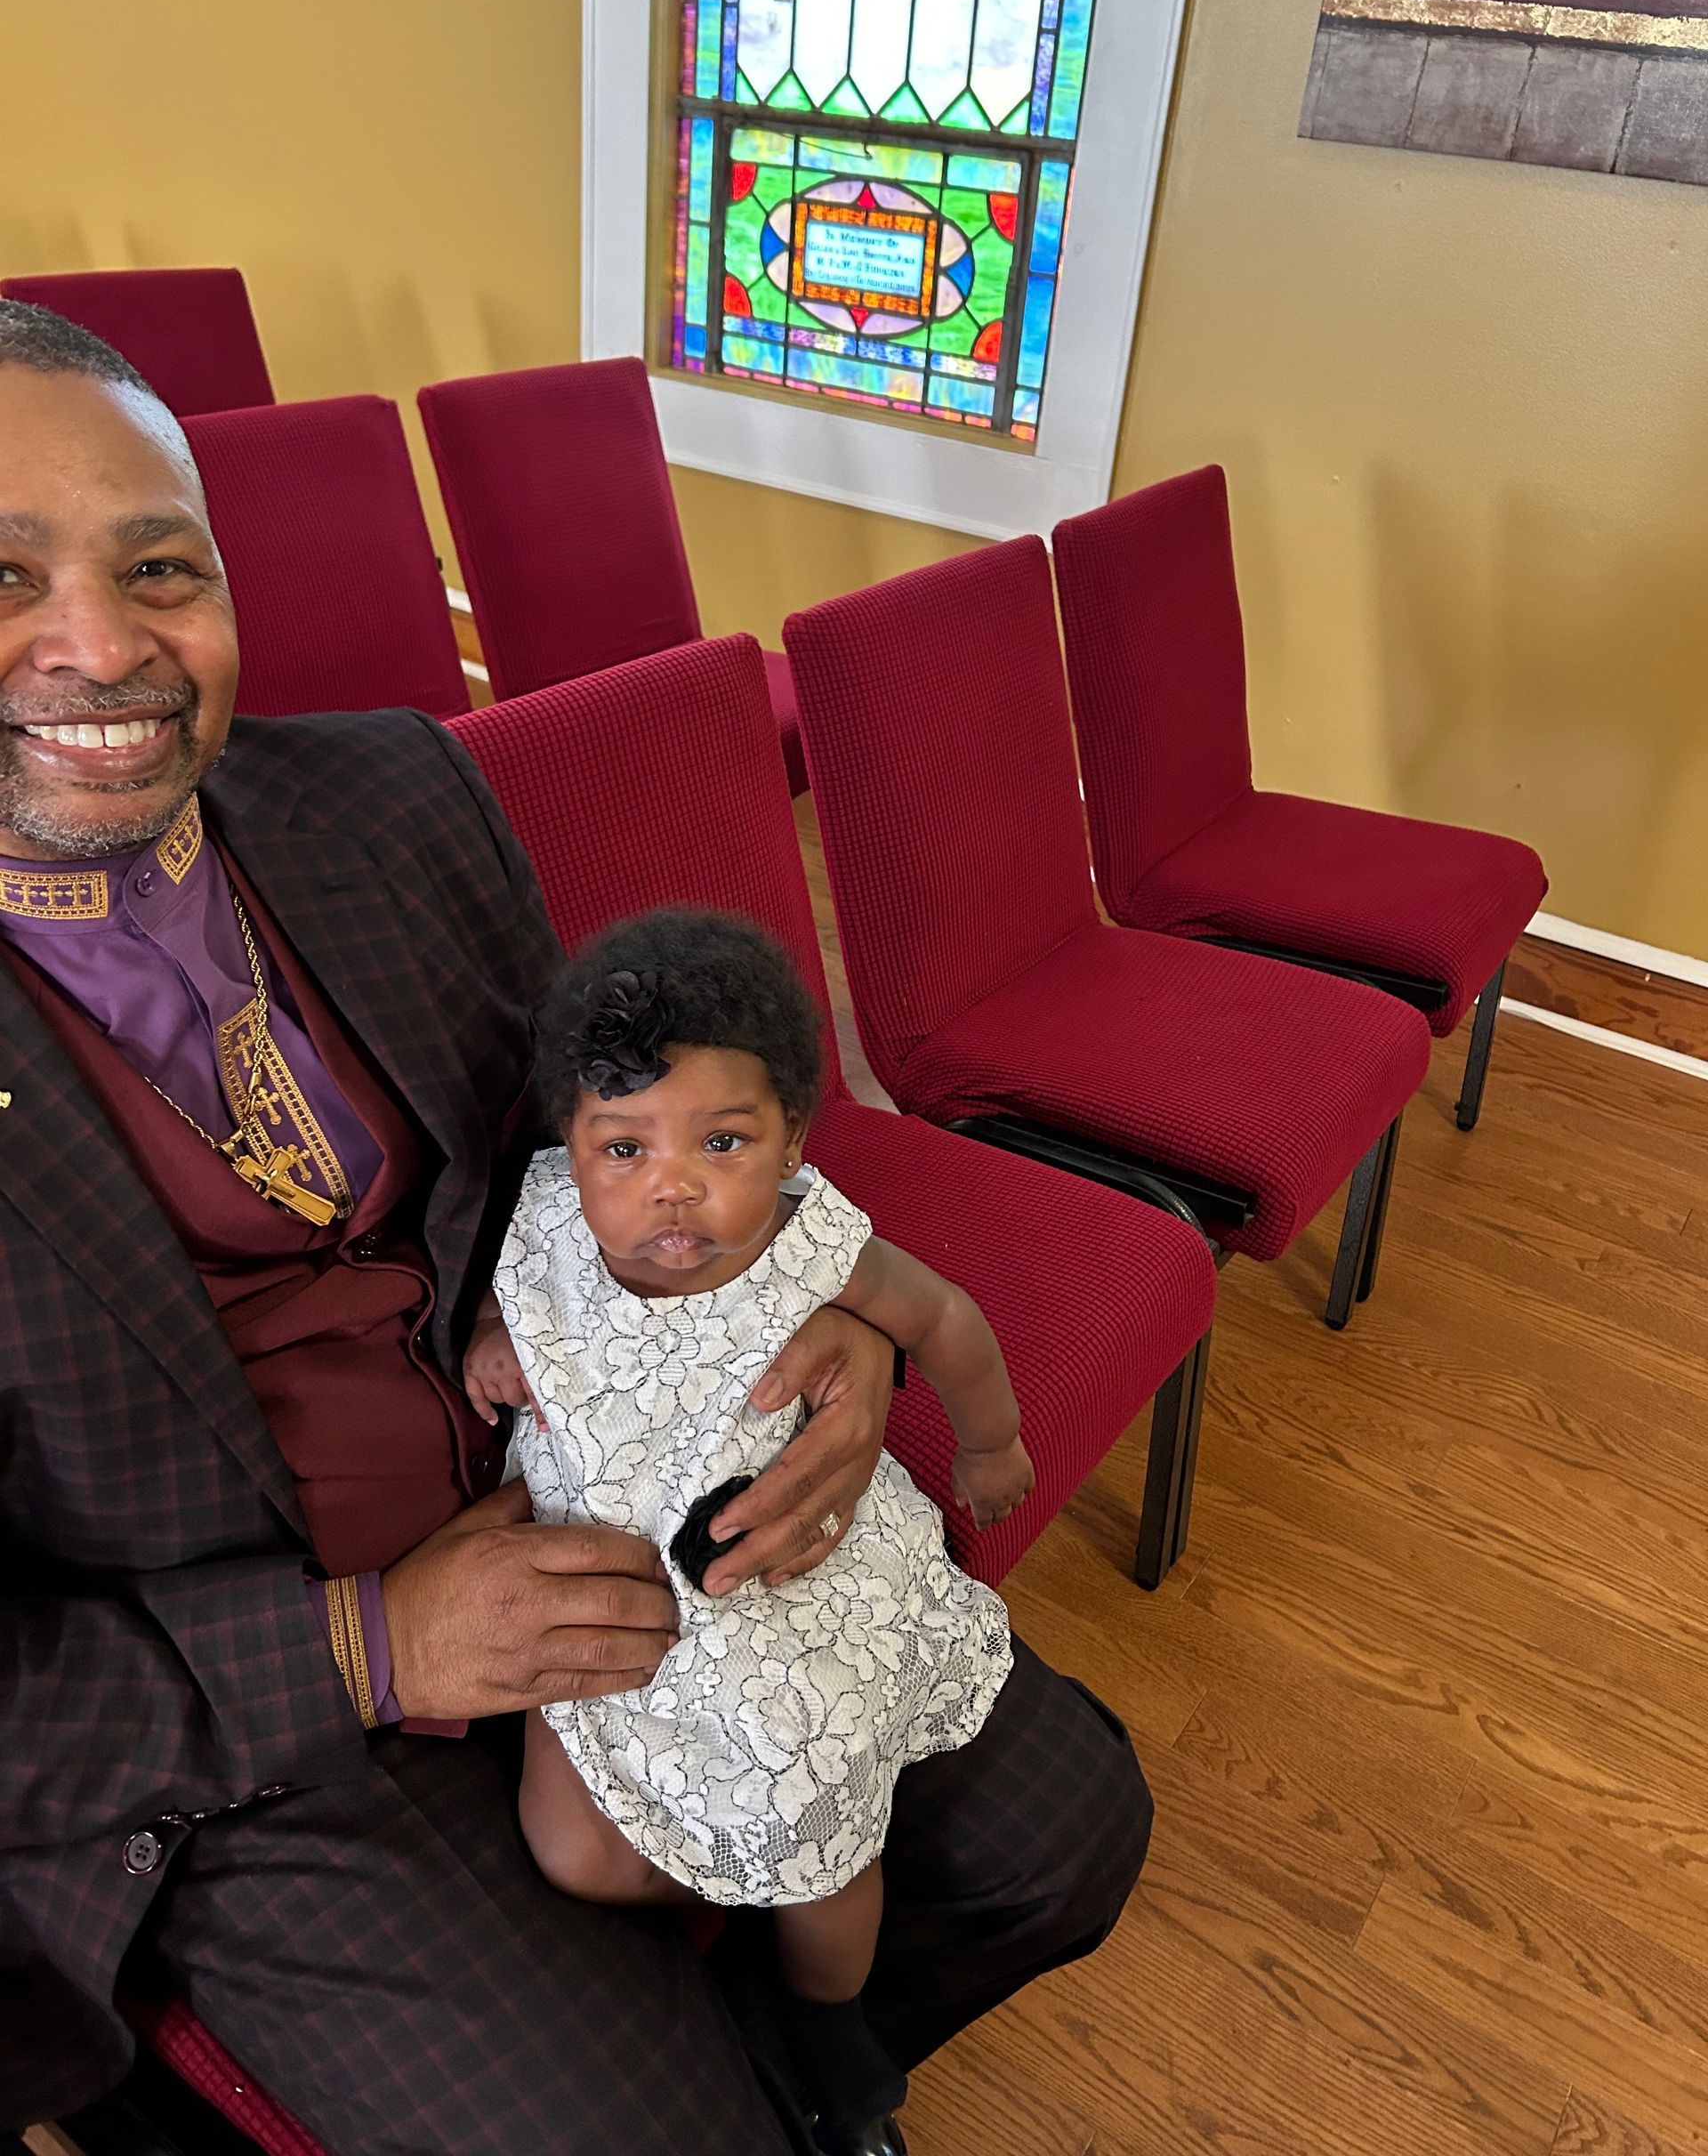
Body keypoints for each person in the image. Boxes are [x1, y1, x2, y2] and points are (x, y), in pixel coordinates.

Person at [0, 299, 1155, 2152]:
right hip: (252, 1709)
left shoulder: (386, 790)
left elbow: (619, 1137)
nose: (99, 644)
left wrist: (827, 1309)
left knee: (1062, 1832)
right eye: (7, 574)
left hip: (607, 1481)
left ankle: (787, 2045)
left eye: (163, 566)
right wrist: (370, 1646)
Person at [463, 908, 1036, 2156]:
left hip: (774, 1600)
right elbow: (515, 1296)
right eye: (626, 1147)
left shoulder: (801, 1249)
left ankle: (827, 2017)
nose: (672, 1184)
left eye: (722, 1141)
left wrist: (987, 1441)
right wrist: (493, 1341)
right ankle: (718, 1910)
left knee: (818, 1854)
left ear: (789, 1142)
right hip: (610, 1596)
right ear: (573, 1139)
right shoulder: (548, 1213)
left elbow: (945, 1319)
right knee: (574, 1858)